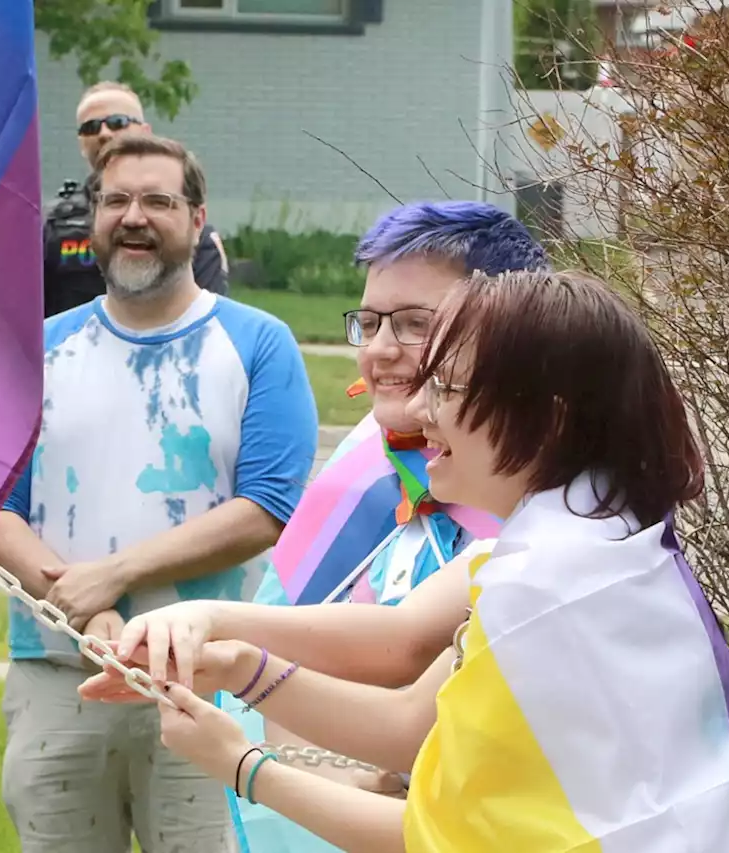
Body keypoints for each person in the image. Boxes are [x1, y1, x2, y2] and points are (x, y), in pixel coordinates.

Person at [82, 270, 729, 853]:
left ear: (550, 418)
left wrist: (238, 763)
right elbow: (403, 672)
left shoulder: (542, 585)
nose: (421, 407)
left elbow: (425, 831)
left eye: (449, 386)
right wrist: (227, 653)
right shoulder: (600, 535)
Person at [0, 133, 317, 852]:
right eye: (116, 200)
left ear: (198, 221)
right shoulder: (36, 351)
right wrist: (90, 608)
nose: (134, 216)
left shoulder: (258, 345)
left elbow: (264, 509)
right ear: (93, 218)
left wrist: (117, 575)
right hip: (57, 674)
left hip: (206, 676)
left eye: (158, 200)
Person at [210, 201, 548, 849]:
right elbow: (291, 635)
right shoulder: (363, 458)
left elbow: (416, 706)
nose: (382, 349)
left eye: (415, 324)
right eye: (368, 322)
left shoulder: (543, 504)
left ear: (509, 332)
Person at [43, 81, 228, 318]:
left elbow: (212, 319)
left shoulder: (186, 224)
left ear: (145, 132)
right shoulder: (53, 226)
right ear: (81, 142)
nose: (104, 133)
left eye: (117, 122)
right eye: (90, 127)